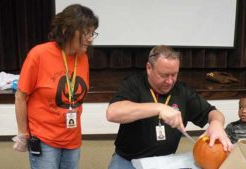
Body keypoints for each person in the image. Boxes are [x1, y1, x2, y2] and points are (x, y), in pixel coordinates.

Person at [106, 45, 233, 169]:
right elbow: (112, 113)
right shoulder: (134, 84)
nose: (170, 81)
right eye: (164, 75)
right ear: (149, 68)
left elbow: (213, 113)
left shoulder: (182, 91)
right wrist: (159, 108)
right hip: (128, 159)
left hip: (166, 161)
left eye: (174, 74)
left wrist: (216, 124)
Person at [12, 4, 98, 169]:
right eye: (86, 32)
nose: (90, 38)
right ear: (66, 30)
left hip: (72, 137)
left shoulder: (83, 58)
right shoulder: (39, 54)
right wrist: (23, 134)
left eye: (92, 33)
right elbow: (20, 96)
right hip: (44, 138)